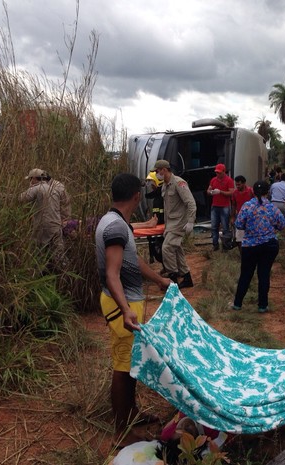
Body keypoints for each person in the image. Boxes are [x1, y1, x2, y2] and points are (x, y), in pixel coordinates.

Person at [95, 173, 171, 448]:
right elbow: (112, 274)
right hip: (121, 304)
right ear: (137, 196)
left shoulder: (116, 222)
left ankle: (131, 414)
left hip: (124, 302)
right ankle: (122, 432)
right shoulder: (115, 227)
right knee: (124, 368)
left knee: (129, 363)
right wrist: (126, 310)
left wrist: (159, 279)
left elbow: (133, 259)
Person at [232, 180, 285, 313]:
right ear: (268, 192)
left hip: (250, 246)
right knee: (264, 274)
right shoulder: (272, 208)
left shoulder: (247, 206)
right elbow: (282, 225)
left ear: (253, 192)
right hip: (269, 245)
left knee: (245, 274)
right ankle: (262, 305)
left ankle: (237, 304)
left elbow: (239, 224)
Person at [154, 159, 197, 288]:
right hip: (171, 223)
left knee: (167, 248)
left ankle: (173, 280)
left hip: (179, 222)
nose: (156, 174)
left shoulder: (179, 183)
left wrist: (190, 221)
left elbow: (191, 203)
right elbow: (168, 208)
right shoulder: (165, 185)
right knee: (176, 249)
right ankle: (187, 277)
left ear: (164, 170)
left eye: (157, 171)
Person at [18, 168, 71, 270]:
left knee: (37, 252)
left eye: (30, 179)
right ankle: (67, 275)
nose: (30, 182)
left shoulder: (36, 188)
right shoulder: (54, 189)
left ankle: (37, 274)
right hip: (56, 225)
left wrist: (4, 197)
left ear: (34, 178)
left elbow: (20, 199)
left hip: (43, 226)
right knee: (59, 255)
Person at [207, 163, 235, 251]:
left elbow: (231, 193)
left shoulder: (229, 180)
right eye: (216, 172)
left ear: (224, 171)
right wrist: (211, 192)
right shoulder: (213, 180)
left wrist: (220, 192)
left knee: (225, 227)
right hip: (215, 206)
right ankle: (215, 245)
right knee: (214, 226)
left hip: (225, 206)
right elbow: (208, 189)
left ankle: (225, 246)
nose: (217, 174)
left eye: (219, 172)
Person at [231, 175, 254, 249]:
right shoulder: (235, 193)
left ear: (244, 183)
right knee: (239, 238)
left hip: (251, 217)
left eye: (239, 184)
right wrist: (233, 217)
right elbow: (234, 205)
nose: (237, 186)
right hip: (240, 217)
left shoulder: (251, 191)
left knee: (251, 236)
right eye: (236, 184)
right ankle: (242, 255)